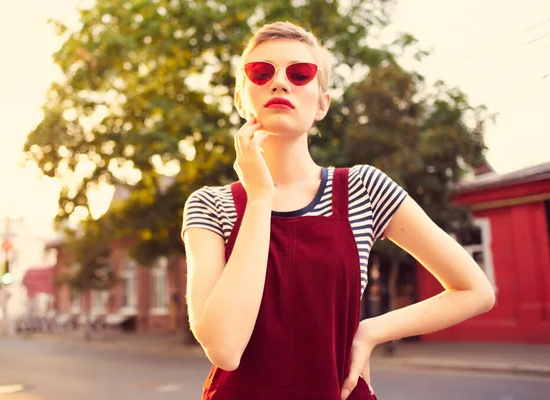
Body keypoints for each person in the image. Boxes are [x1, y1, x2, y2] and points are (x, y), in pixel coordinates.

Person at [181, 21, 495, 400]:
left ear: (321, 104)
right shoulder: (210, 205)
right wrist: (261, 197)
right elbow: (225, 349)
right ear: (240, 97)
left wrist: (370, 331)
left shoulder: (364, 189)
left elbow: (475, 290)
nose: (280, 83)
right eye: (261, 72)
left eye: (300, 74)